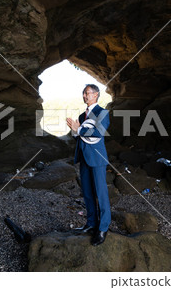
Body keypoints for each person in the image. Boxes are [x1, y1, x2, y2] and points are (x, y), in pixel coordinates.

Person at [66, 84, 111, 246]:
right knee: (87, 192)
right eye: (83, 93)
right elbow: (80, 137)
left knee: (101, 192)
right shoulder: (82, 115)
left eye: (88, 93)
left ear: (96, 95)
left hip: (97, 157)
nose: (85, 96)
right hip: (84, 157)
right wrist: (73, 131)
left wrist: (78, 130)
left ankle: (103, 228)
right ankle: (91, 224)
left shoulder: (102, 113)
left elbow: (98, 132)